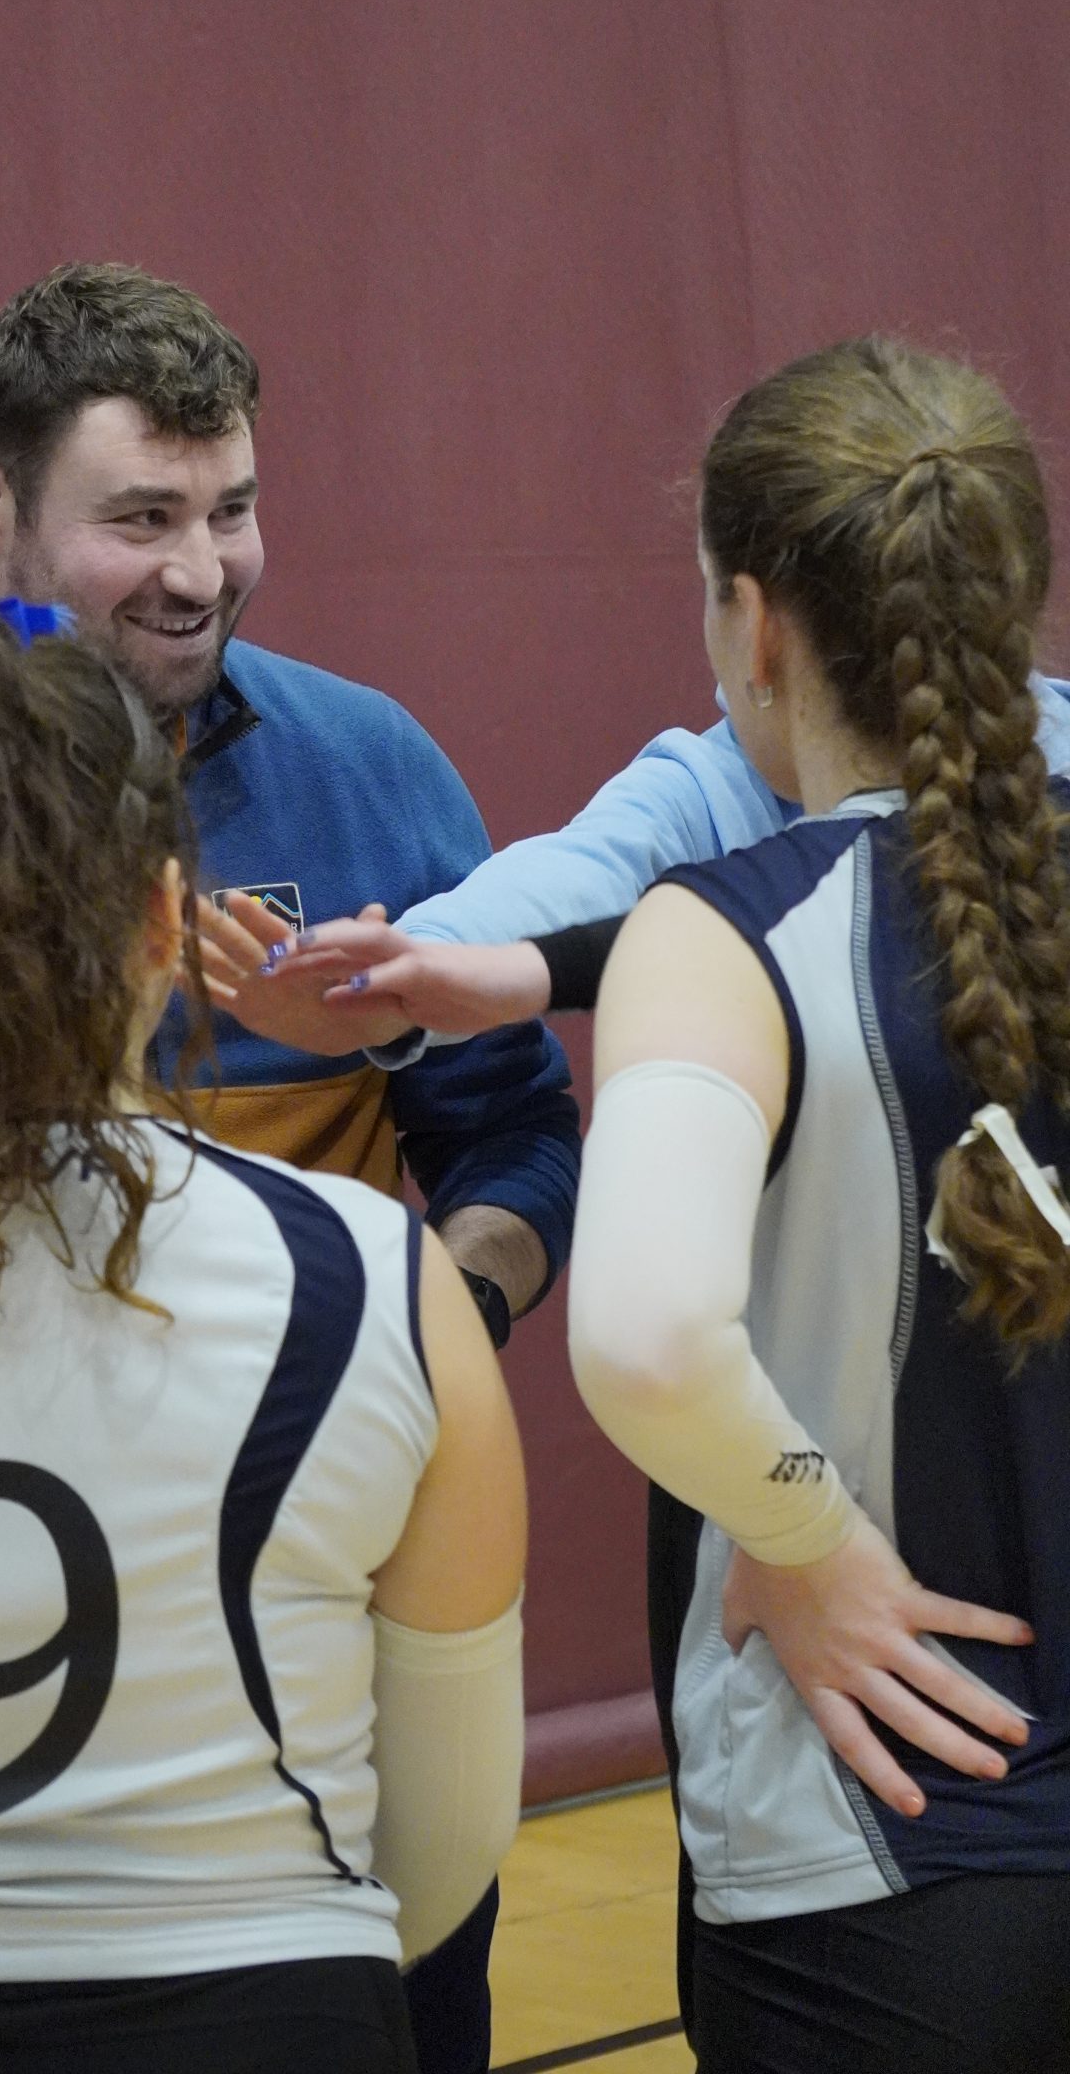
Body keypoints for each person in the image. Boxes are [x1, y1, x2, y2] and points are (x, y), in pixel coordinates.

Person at [0, 264, 580, 2074]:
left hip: (293, 1739)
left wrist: (437, 1339)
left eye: (232, 510)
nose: (201, 571)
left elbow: (519, 1137)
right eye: (142, 517)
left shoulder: (369, 766)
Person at [559, 339, 1070, 2069]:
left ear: (755, 624)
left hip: (881, 1839)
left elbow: (646, 1334)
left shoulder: (720, 932)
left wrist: (803, 1535)